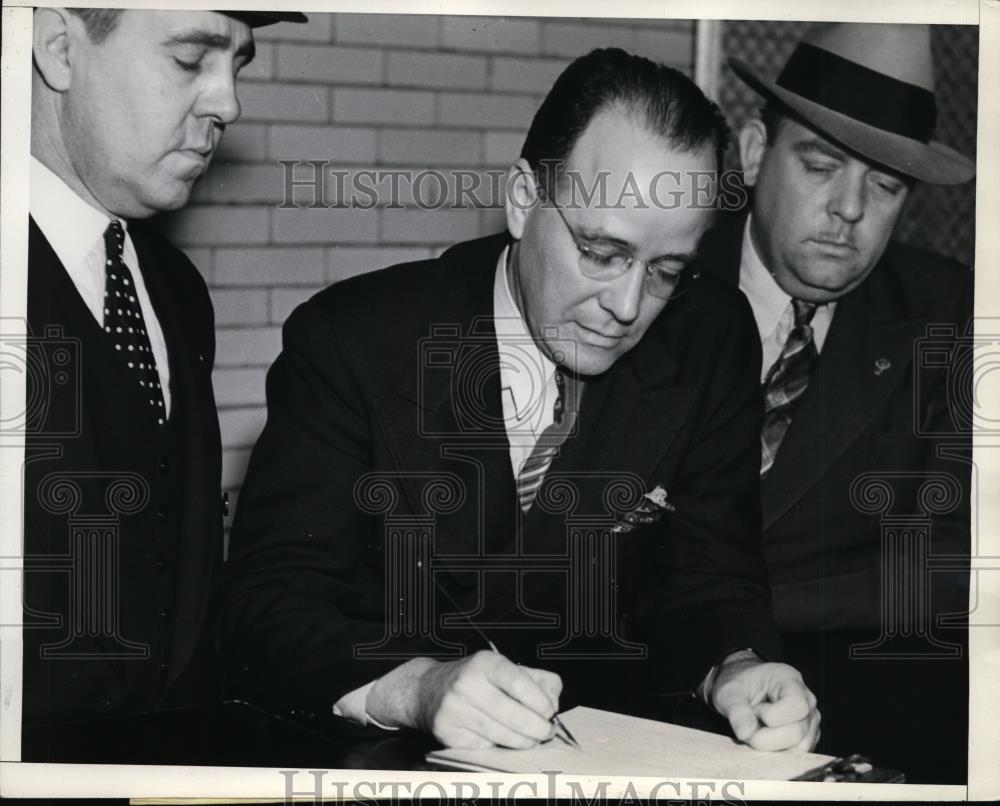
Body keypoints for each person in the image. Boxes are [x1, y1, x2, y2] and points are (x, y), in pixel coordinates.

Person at [216, 48, 820, 754]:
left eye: (665, 271)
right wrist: (415, 688)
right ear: (523, 201)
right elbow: (263, 607)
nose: (627, 307)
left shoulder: (710, 336)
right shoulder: (353, 340)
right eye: (601, 252)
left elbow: (712, 574)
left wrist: (739, 668)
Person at [698, 23, 974, 782]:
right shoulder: (657, 282)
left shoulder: (946, 314)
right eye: (821, 167)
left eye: (885, 186)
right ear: (755, 155)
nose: (849, 209)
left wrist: (722, 619)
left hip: (855, 726)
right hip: (637, 711)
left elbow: (948, 565)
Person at [23, 7, 305, 739]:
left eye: (238, 64)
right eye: (190, 59)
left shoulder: (174, 289)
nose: (228, 103)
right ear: (58, 48)